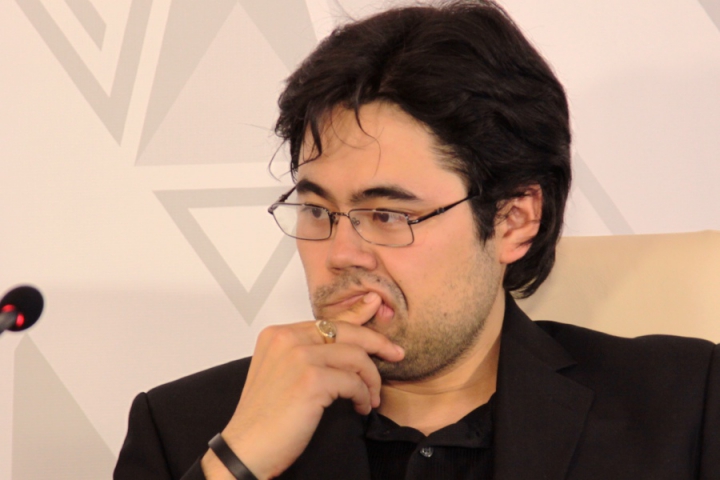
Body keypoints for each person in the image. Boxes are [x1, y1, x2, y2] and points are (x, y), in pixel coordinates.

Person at [114, 1, 720, 479]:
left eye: (386, 215)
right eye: (318, 210)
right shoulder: (185, 430)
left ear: (513, 220)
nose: (340, 254)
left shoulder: (684, 406)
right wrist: (236, 463)